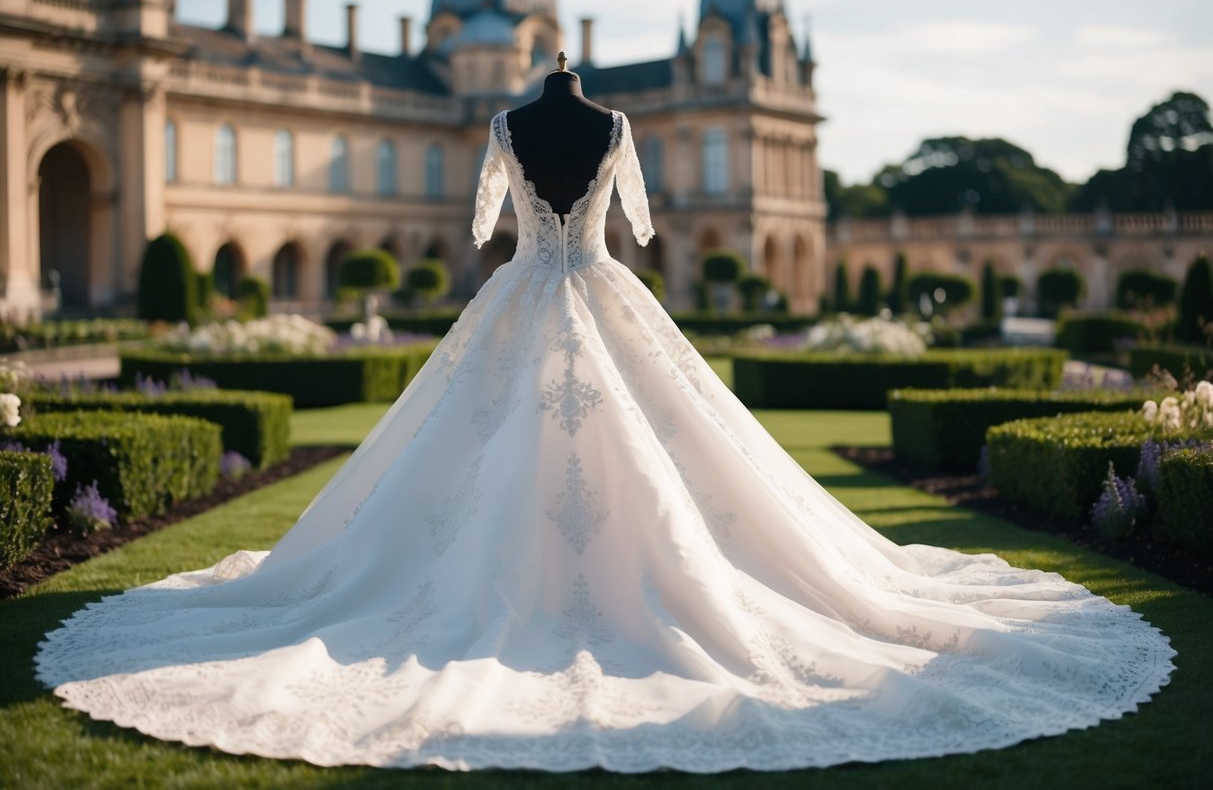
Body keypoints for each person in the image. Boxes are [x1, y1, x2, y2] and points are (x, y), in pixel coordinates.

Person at [35, 59, 1175, 773]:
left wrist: (537, 225)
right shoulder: (614, 128)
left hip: (525, 295)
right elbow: (628, 225)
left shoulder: (508, 125)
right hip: (597, 289)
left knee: (473, 459)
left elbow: (491, 227)